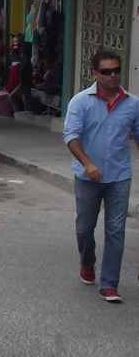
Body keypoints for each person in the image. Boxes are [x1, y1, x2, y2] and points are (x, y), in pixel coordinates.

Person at [63, 49, 139, 303]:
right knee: (85, 229)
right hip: (88, 178)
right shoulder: (80, 102)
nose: (113, 76)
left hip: (119, 176)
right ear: (94, 73)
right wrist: (87, 164)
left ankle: (109, 284)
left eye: (116, 70)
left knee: (116, 229)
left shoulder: (132, 104)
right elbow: (71, 137)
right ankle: (87, 262)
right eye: (106, 72)